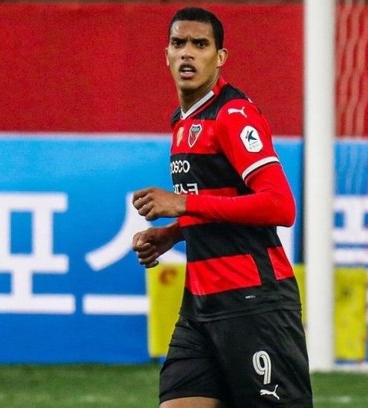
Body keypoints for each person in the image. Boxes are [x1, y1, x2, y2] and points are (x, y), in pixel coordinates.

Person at [131, 7, 313, 408]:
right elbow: (224, 197)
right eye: (179, 44)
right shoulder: (182, 120)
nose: (188, 54)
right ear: (166, 54)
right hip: (200, 305)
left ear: (220, 57)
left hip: (254, 303)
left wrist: (182, 203)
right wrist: (172, 234)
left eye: (200, 44)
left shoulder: (233, 115)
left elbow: (280, 206)